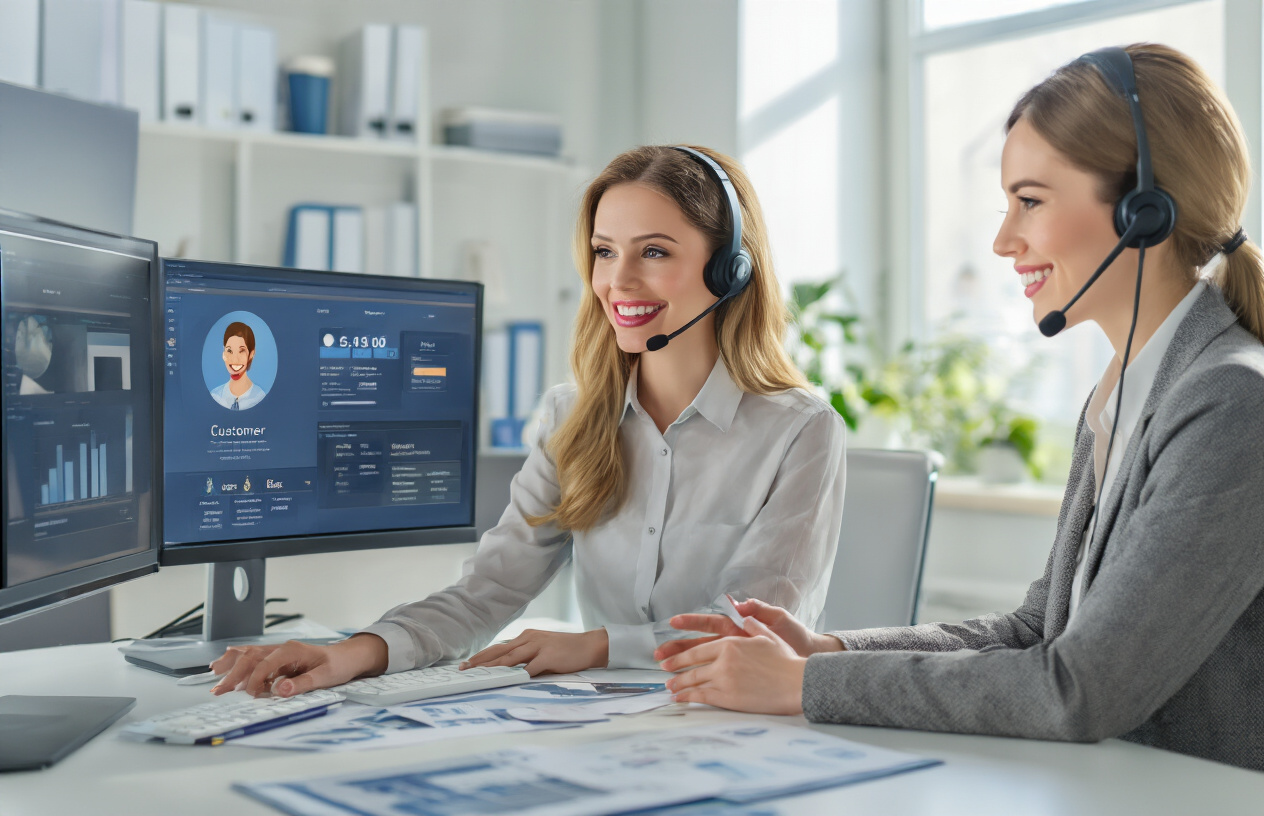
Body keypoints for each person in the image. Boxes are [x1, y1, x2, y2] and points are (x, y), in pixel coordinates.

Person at [655, 44, 1264, 772]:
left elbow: (1081, 687)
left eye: (1030, 202)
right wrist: (829, 650)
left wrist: (806, 685)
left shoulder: (1231, 400)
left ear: (1143, 209)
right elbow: (1038, 629)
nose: (1004, 241)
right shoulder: (1122, 395)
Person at [210, 145, 847, 697]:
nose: (618, 280)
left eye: (653, 251)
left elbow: (749, 629)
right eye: (604, 252)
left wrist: (595, 646)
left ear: (728, 269)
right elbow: (487, 591)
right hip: (604, 721)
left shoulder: (799, 430)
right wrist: (354, 652)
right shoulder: (570, 417)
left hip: (738, 723)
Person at [210, 321, 266, 410]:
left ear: (251, 354)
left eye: (241, 351)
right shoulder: (215, 396)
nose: (235, 360)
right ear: (223, 354)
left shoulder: (259, 397)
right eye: (229, 351)